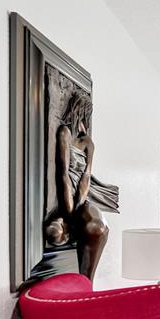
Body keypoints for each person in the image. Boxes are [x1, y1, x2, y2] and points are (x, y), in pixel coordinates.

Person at [44, 93, 119, 282]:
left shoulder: (87, 143)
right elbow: (63, 175)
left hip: (81, 195)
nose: (84, 121)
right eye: (83, 115)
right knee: (54, 233)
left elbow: (86, 174)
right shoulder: (64, 133)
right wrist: (70, 211)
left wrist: (80, 204)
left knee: (98, 227)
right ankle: (67, 227)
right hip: (66, 193)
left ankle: (87, 284)